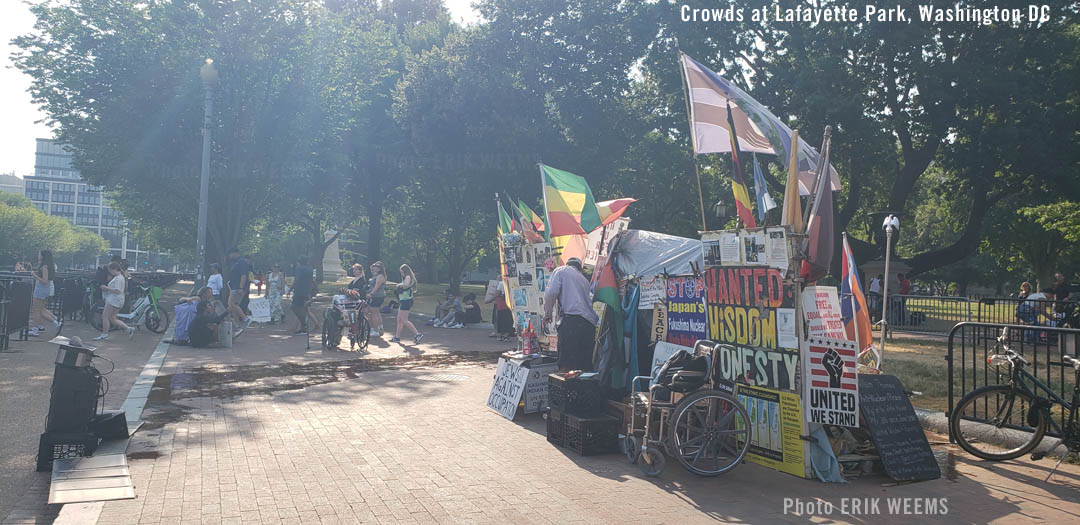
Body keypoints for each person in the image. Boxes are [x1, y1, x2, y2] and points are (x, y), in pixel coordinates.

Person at [543, 257, 600, 372]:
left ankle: (565, 389)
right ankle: (581, 389)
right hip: (588, 325)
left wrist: (547, 314)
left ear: (568, 264)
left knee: (566, 363)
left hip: (572, 322)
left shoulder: (561, 270)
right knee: (583, 365)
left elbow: (551, 293)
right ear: (580, 268)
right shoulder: (584, 280)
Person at [95, 262, 134, 340]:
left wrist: (106, 288)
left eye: (110, 270)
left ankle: (104, 334)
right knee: (112, 318)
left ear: (114, 269)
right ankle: (128, 329)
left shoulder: (119, 278)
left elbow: (117, 290)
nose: (110, 272)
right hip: (117, 300)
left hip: (113, 300)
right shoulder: (120, 277)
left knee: (105, 316)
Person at [28, 250, 62, 337]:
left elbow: (45, 281)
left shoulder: (44, 267)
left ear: (43, 256)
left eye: (40, 254)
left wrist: (35, 276)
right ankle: (55, 322)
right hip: (44, 290)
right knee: (41, 309)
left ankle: (35, 329)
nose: (38, 255)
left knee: (36, 310)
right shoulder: (49, 266)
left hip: (41, 289)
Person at [390, 264, 423, 344]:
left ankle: (417, 334)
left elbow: (406, 285)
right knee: (399, 320)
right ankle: (397, 337)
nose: (402, 274)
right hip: (404, 300)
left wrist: (398, 285)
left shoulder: (408, 277)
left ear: (406, 271)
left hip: (406, 301)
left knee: (404, 320)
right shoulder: (407, 277)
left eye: (402, 272)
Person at [291, 256, 315, 335]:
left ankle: (303, 325)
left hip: (299, 291)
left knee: (295, 307)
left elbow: (296, 280)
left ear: (299, 262)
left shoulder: (299, 269)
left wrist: (291, 289)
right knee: (303, 308)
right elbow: (311, 281)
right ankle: (303, 326)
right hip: (306, 291)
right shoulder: (310, 269)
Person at [227, 248, 252, 315]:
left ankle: (245, 319)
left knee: (233, 305)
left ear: (235, 253)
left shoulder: (241, 262)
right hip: (234, 287)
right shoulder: (234, 262)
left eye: (230, 254)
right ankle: (236, 322)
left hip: (238, 288)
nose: (229, 256)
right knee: (234, 305)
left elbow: (243, 275)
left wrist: (241, 287)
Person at [366, 261, 387, 337]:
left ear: (379, 269)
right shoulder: (376, 275)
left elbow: (377, 286)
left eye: (376, 267)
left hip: (377, 296)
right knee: (376, 312)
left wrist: (371, 294)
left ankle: (375, 330)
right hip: (376, 296)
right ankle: (380, 328)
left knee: (373, 313)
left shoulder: (380, 276)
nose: (374, 268)